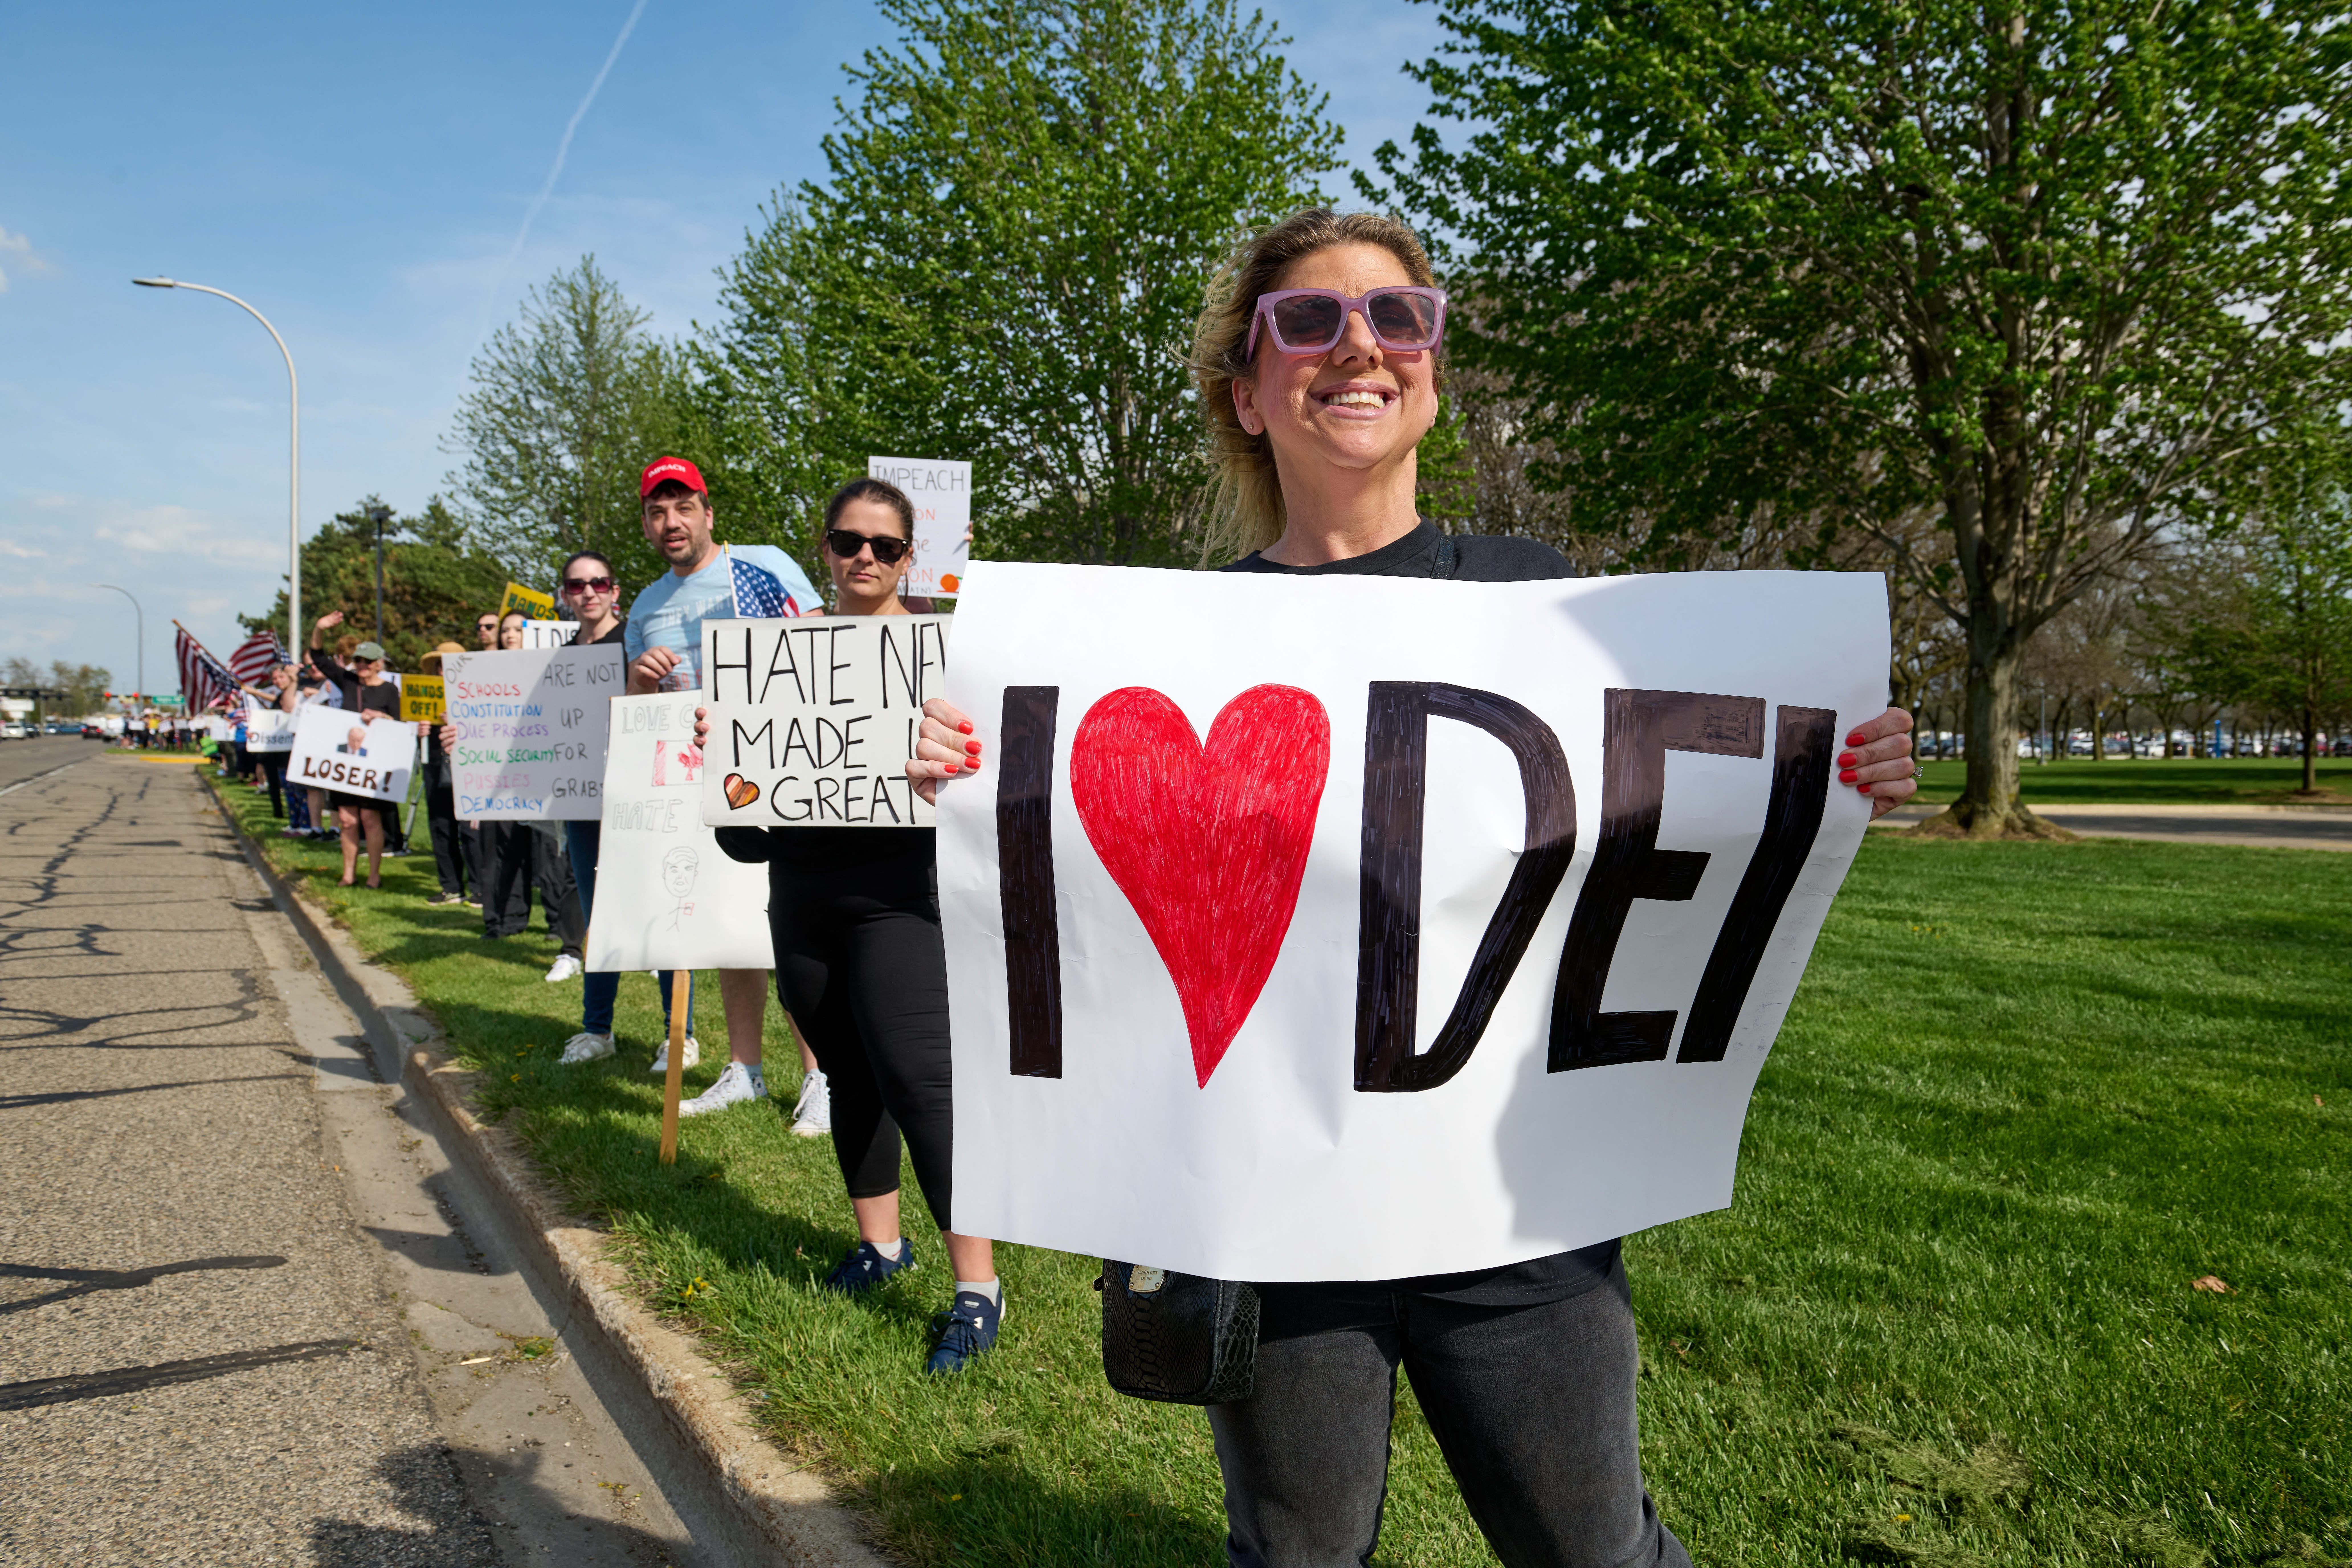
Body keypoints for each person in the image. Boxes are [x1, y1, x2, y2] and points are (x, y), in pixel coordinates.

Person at [910, 209, 1922, 1564]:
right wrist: (981, 766)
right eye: (1308, 321)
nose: (1360, 346)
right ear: (1245, 391)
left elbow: (1637, 825)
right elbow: (1103, 910)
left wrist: (1828, 759)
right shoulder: (1162, 649)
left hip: (1513, 1204)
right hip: (1271, 1212)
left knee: (1594, 1552)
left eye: (1398, 316)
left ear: (1433, 369)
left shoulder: (1539, 602)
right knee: (1296, 1557)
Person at [699, 475, 1001, 1375]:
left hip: (903, 900)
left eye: (885, 545)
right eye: (847, 541)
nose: (864, 557)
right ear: (824, 548)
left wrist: (954, 766)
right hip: (801, 897)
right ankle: (880, 1246)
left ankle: (977, 1286)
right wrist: (727, 760)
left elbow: (984, 799)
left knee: (920, 1081)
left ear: (910, 557)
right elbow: (744, 838)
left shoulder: (947, 662)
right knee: (846, 1072)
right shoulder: (773, 660)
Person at [624, 456, 824, 1102]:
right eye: (657, 512)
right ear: (647, 526)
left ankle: (821, 1076)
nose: (671, 522)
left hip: (777, 772)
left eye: (684, 508)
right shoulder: (645, 606)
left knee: (792, 924)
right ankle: (746, 1071)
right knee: (731, 924)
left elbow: (821, 651)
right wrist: (640, 681)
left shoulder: (761, 568)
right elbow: (636, 716)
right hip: (693, 784)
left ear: (708, 514)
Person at [548, 551, 700, 1066]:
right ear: (565, 595)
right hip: (585, 802)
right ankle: (597, 1030)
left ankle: (680, 1035)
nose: (588, 592)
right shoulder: (559, 660)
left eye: (599, 583)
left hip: (645, 797)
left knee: (666, 905)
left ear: (615, 591)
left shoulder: (635, 646)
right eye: (577, 585)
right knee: (599, 914)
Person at [307, 614, 405, 888]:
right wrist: (320, 628)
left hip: (374, 764)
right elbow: (318, 657)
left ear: (379, 664)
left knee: (370, 819)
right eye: (358, 660)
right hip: (347, 763)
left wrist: (382, 718)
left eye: (367, 661)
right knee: (348, 820)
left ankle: (374, 875)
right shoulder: (348, 681)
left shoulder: (389, 691)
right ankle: (348, 874)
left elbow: (399, 725)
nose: (362, 665)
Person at [416, 641, 480, 906]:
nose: (443, 671)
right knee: (440, 825)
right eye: (440, 666)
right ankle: (451, 887)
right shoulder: (426, 696)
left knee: (469, 827)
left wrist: (456, 720)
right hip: (434, 763)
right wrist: (419, 731)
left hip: (467, 764)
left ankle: (479, 889)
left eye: (448, 665)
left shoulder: (475, 693)